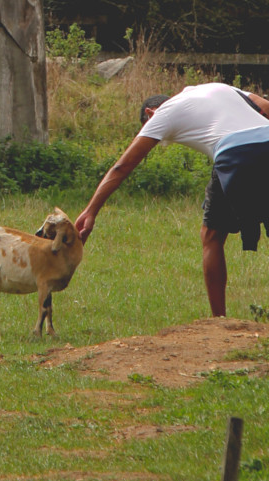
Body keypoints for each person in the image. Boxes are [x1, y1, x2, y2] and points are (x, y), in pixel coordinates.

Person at [75, 81, 269, 317]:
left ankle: (220, 323)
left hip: (234, 151)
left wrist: (91, 211)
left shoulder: (163, 113)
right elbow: (264, 106)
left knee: (212, 235)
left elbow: (122, 166)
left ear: (149, 113)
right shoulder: (216, 87)